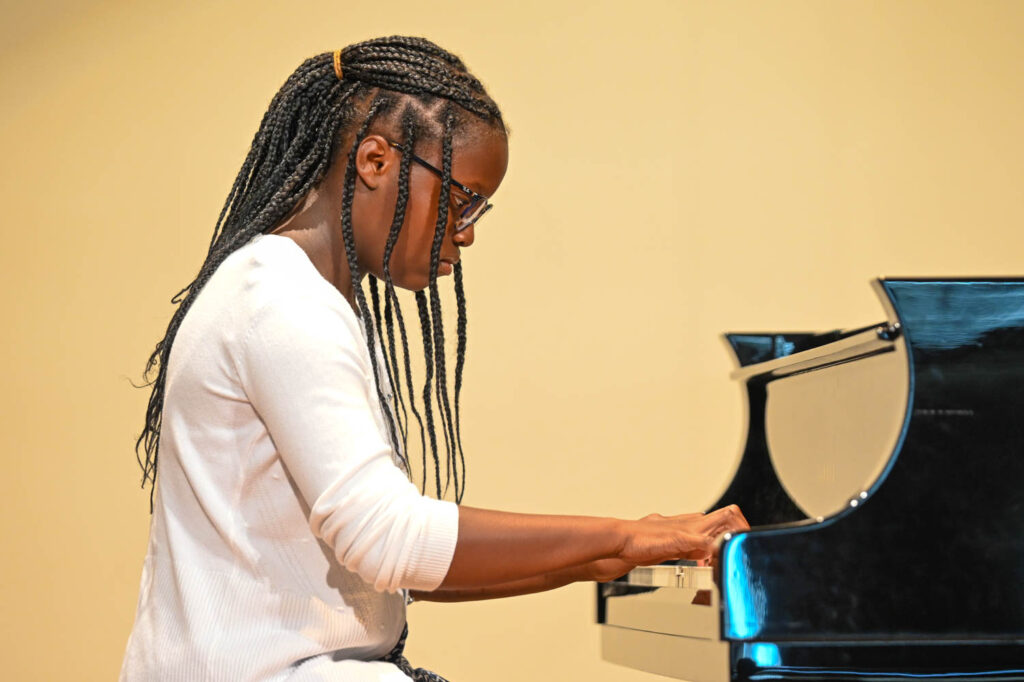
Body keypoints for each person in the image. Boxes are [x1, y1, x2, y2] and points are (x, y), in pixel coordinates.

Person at [120, 35, 749, 682]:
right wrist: (623, 537)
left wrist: (604, 557)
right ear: (374, 160)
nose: (467, 231)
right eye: (461, 198)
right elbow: (391, 539)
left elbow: (392, 568)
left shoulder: (301, 296)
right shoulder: (281, 302)